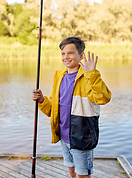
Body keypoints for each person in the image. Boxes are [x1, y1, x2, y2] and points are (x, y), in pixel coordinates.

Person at [32, 37, 111, 178]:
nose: (66, 57)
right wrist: (42, 100)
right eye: (63, 53)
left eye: (70, 53)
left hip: (81, 137)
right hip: (64, 136)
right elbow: (52, 110)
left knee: (82, 175)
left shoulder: (88, 78)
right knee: (72, 172)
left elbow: (103, 98)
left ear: (81, 56)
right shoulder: (60, 77)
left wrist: (92, 74)